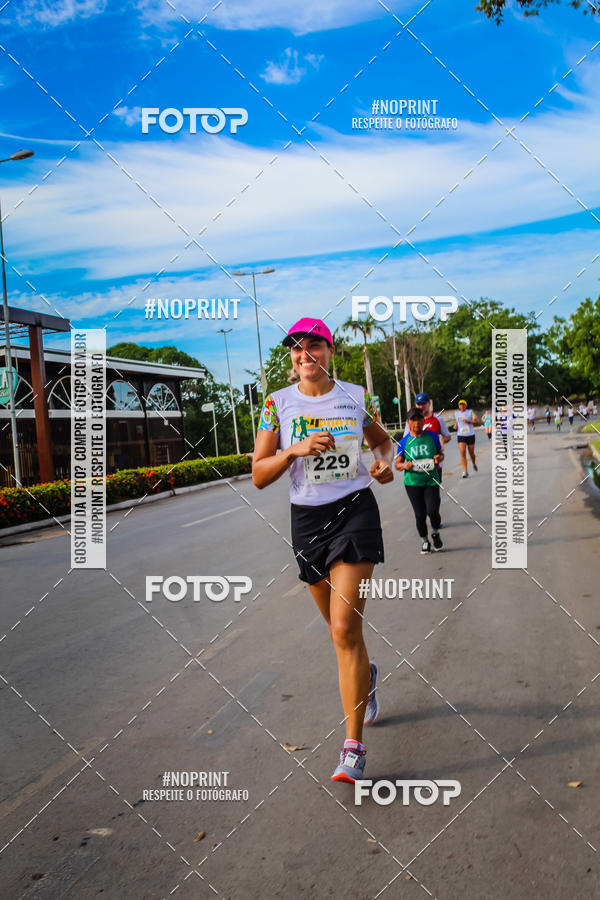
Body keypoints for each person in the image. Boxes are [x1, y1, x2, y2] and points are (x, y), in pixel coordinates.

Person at [252, 317, 394, 785]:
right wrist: (294, 451)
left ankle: (352, 747)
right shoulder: (277, 404)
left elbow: (383, 444)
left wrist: (383, 467)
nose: (304, 354)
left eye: (314, 345)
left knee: (342, 624)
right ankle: (366, 675)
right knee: (341, 636)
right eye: (296, 348)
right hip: (308, 522)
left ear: (330, 352)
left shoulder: (357, 396)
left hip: (355, 511)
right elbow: (258, 473)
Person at [395, 408, 444, 553]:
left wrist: (438, 458)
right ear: (408, 422)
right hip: (412, 483)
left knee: (433, 510)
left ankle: (435, 532)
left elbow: (441, 454)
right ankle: (425, 540)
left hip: (431, 480)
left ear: (424, 420)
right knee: (420, 515)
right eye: (413, 420)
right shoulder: (404, 442)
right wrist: (405, 465)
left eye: (419, 419)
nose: (417, 423)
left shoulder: (432, 437)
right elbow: (397, 464)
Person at [453, 399, 479, 478]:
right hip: (461, 435)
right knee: (462, 451)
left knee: (471, 453)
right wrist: (456, 425)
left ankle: (473, 463)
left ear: (466, 405)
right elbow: (457, 421)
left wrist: (469, 422)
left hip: (470, 435)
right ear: (459, 406)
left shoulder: (470, 412)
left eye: (463, 404)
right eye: (460, 404)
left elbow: (476, 422)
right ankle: (465, 471)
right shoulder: (456, 413)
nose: (462, 406)